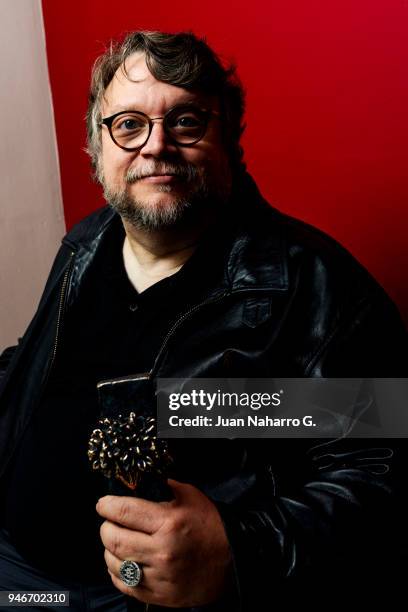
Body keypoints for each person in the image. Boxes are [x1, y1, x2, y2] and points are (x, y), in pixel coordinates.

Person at [0, 30, 407, 611]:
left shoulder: (315, 287)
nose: (156, 145)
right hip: (19, 573)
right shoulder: (86, 244)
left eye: (186, 122)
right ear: (97, 143)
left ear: (229, 139)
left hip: (145, 602)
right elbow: (36, 364)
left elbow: (380, 474)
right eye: (129, 124)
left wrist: (239, 551)